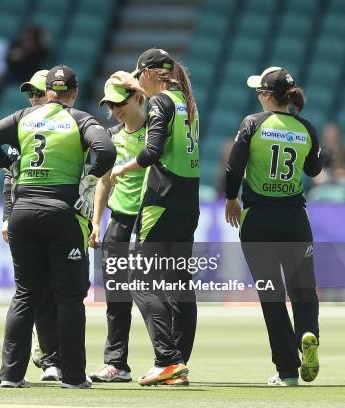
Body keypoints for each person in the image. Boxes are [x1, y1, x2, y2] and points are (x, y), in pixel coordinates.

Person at [0, 65, 116, 389]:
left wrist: (11, 162)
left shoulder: (25, 116)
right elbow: (106, 150)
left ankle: (11, 375)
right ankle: (72, 376)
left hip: (23, 210)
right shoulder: (80, 119)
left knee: (25, 294)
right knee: (68, 297)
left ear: (48, 92)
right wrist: (89, 176)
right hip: (61, 211)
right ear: (74, 92)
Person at [224, 67, 322, 386]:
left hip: (258, 221)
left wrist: (230, 199)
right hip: (295, 220)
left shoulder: (253, 123)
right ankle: (308, 333)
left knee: (272, 296)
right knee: (304, 291)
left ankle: (288, 372)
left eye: (260, 93)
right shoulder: (306, 128)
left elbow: (233, 167)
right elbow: (315, 167)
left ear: (267, 95)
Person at [111, 48, 200, 386]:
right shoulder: (187, 102)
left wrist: (123, 168)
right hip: (188, 202)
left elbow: (152, 151)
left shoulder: (160, 103)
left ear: (150, 73)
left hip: (161, 201)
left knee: (139, 279)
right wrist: (131, 80)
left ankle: (167, 358)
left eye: (139, 75)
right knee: (178, 283)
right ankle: (177, 363)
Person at [0, 69, 62, 381]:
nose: (32, 98)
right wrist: (7, 216)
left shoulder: (67, 126)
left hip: (59, 216)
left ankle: (48, 355)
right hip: (26, 217)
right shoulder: (22, 128)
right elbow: (11, 180)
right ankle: (50, 359)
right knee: (35, 290)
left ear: (51, 93)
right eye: (30, 94)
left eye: (38, 92)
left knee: (56, 291)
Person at [88, 75, 147, 383]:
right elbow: (103, 181)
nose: (115, 109)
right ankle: (116, 364)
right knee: (116, 296)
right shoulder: (111, 135)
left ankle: (168, 360)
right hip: (119, 221)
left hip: (150, 221)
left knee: (154, 295)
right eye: (110, 104)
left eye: (120, 102)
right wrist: (97, 222)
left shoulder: (157, 132)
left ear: (138, 97)